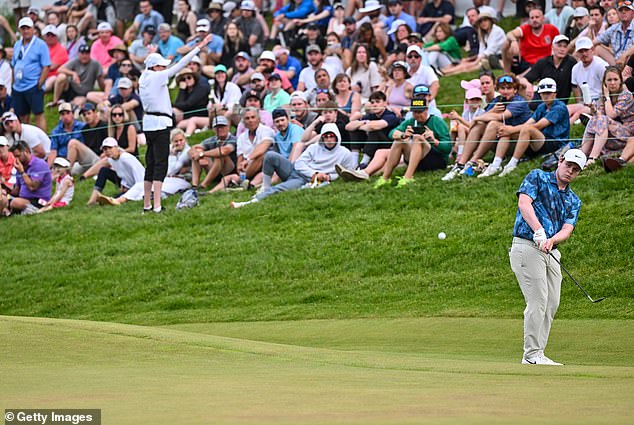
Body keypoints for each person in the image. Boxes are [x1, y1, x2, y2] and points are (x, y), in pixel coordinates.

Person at [510, 148, 587, 366]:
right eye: (568, 165)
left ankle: (538, 353)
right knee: (538, 300)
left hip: (550, 251)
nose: (570, 171)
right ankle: (531, 355)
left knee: (552, 302)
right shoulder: (537, 177)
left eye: (575, 170)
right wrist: (538, 230)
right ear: (560, 161)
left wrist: (552, 240)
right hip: (526, 246)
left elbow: (567, 228)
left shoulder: (573, 200)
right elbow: (524, 204)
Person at [139, 34, 213, 214]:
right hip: (161, 124)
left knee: (150, 162)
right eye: (161, 66)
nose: (164, 68)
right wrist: (199, 47)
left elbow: (154, 64)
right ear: (155, 67)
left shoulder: (144, 77)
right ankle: (156, 205)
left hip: (148, 124)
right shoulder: (157, 77)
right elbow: (180, 64)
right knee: (160, 164)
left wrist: (152, 53)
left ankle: (147, 204)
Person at [230, 123, 355, 208]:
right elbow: (299, 163)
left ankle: (247, 203)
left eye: (331, 136)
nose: (328, 139)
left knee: (277, 189)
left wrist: (328, 177)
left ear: (337, 137)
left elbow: (345, 172)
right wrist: (314, 173)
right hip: (295, 170)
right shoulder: (314, 147)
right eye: (326, 136)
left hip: (302, 180)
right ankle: (265, 186)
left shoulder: (345, 153)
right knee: (270, 155)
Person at [486, 78, 571, 177]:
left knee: (525, 129)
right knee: (508, 132)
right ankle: (496, 163)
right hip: (541, 140)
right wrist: (509, 130)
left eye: (549, 93)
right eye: (543, 93)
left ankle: (512, 163)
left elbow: (538, 126)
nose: (546, 95)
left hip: (555, 143)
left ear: (555, 93)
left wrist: (512, 129)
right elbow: (529, 122)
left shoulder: (559, 107)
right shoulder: (542, 106)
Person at [582, 65, 634, 166]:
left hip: (628, 134)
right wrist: (593, 109)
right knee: (594, 119)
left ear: (620, 81)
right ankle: (582, 154)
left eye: (615, 79)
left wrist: (607, 97)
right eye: (609, 80)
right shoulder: (603, 97)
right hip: (612, 134)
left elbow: (611, 115)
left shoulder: (626, 95)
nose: (612, 83)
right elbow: (600, 118)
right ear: (604, 83)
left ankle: (592, 157)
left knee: (602, 119)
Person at [11, 17, 51, 131]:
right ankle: (25, 142)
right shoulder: (17, 44)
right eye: (23, 28)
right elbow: (14, 65)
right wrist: (13, 83)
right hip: (18, 87)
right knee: (22, 117)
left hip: (33, 85)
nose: (25, 31)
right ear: (20, 30)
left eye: (28, 28)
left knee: (38, 114)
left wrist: (39, 83)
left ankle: (44, 141)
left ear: (33, 29)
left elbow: (46, 66)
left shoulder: (40, 44)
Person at [85, 137, 146, 206]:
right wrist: (124, 184)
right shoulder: (111, 159)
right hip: (128, 184)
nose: (107, 151)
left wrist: (130, 189)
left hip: (141, 185)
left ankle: (114, 199)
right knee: (103, 170)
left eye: (110, 148)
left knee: (116, 198)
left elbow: (141, 180)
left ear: (116, 147)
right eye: (105, 149)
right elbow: (123, 174)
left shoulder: (126, 158)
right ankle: (94, 198)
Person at [503, 8, 560, 75]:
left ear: (543, 18)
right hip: (526, 63)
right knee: (507, 43)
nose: (534, 20)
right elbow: (510, 34)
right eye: (532, 18)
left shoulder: (552, 29)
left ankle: (520, 77)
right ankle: (506, 74)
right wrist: (514, 41)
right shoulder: (525, 28)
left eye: (537, 17)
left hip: (545, 63)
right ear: (529, 20)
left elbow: (560, 44)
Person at [188, 116, 237, 190]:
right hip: (215, 169)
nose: (220, 129)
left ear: (228, 127)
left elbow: (223, 151)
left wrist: (202, 154)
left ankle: (203, 185)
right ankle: (194, 185)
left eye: (222, 126)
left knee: (219, 156)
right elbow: (192, 149)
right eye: (217, 127)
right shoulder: (211, 140)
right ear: (213, 129)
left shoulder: (233, 139)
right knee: (196, 154)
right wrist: (198, 154)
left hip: (229, 171)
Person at [6, 140, 52, 215]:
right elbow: (17, 191)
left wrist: (22, 172)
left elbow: (33, 187)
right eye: (15, 157)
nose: (16, 159)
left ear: (26, 151)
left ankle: (31, 210)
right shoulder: (21, 166)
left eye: (18, 156)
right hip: (24, 199)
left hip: (38, 200)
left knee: (15, 202)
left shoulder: (39, 164)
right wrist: (5, 188)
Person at [569, 36, 608, 123]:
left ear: (592, 50)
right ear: (577, 53)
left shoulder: (601, 65)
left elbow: (606, 87)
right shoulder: (575, 68)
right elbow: (575, 88)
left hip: (600, 102)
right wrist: (579, 103)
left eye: (586, 50)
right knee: (567, 109)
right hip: (585, 102)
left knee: (578, 112)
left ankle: (567, 126)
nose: (584, 54)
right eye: (580, 51)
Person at [53, 44, 104, 109]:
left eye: (86, 54)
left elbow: (100, 80)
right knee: (61, 77)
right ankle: (55, 101)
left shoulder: (95, 64)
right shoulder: (75, 61)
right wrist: (73, 73)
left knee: (77, 105)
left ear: (89, 54)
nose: (84, 56)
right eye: (82, 53)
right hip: (71, 89)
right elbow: (60, 69)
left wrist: (104, 91)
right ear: (79, 54)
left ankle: (67, 104)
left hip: (84, 93)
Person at [49, 102, 87, 167]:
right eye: (62, 114)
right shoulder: (56, 131)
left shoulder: (82, 127)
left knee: (73, 143)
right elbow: (53, 151)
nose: (65, 116)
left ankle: (67, 170)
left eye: (68, 113)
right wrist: (48, 168)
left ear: (72, 113)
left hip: (80, 159)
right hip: (62, 158)